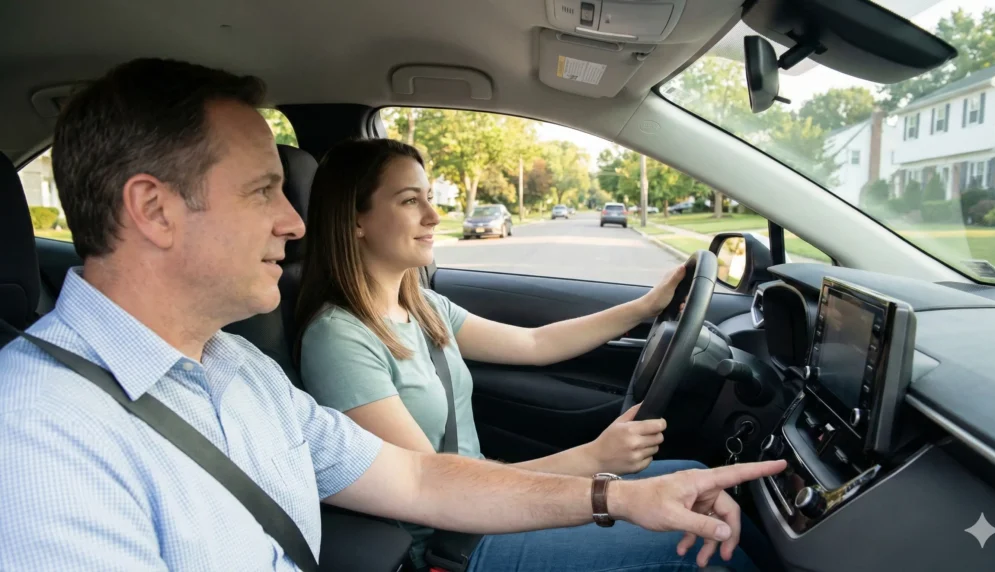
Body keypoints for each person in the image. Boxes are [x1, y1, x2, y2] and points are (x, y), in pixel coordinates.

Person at [0, 58, 785, 571]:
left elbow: (414, 477)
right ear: (154, 210)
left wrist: (620, 496)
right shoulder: (35, 433)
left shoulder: (236, 368)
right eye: (260, 191)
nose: (294, 222)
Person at [294, 138, 771, 571]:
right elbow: (432, 487)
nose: (433, 217)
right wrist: (592, 459)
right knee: (696, 541)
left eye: (430, 199)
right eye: (408, 201)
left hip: (486, 503)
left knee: (698, 479)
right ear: (355, 220)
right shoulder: (339, 340)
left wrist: (646, 307)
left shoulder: (421, 306)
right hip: (450, 543)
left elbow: (535, 344)